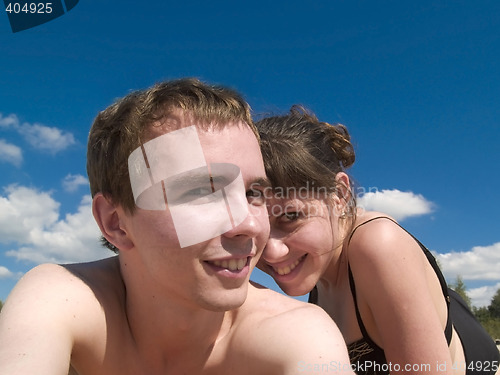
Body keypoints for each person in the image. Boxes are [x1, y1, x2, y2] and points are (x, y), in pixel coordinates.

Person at [0, 80, 354, 375]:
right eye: (202, 190)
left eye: (253, 192)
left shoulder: (297, 334)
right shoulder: (62, 298)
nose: (248, 225)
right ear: (115, 222)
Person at [255, 105, 500, 375]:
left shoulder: (378, 245)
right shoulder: (320, 274)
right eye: (257, 226)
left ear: (339, 194)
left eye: (291, 216)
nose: (272, 252)